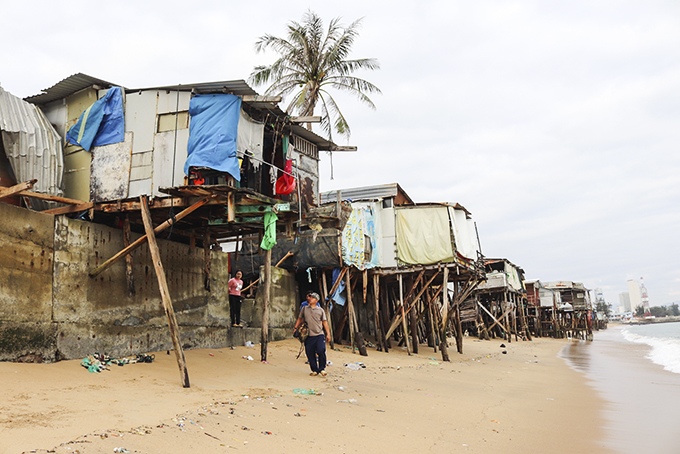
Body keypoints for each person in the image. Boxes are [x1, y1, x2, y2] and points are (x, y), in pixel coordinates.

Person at [294, 292, 330, 377]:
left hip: (319, 334)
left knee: (321, 350)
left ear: (316, 300)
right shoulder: (304, 308)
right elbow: (300, 318)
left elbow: (325, 322)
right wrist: (295, 328)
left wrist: (328, 334)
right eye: (310, 297)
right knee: (310, 353)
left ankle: (322, 368)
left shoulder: (320, 310)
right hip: (308, 335)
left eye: (312, 298)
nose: (310, 299)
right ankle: (314, 370)